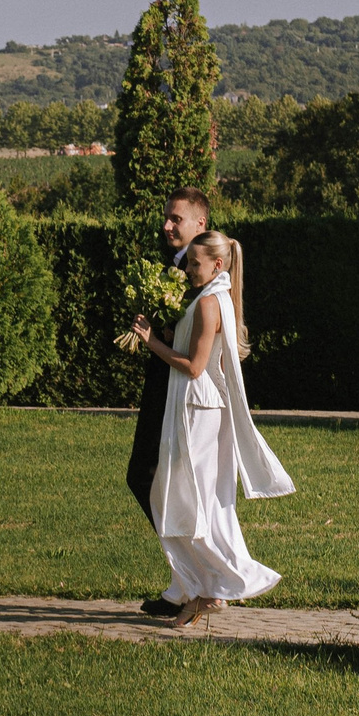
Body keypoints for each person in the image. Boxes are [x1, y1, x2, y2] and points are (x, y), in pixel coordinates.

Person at [131, 229, 292, 626]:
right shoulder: (211, 296)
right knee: (185, 499)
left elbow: (194, 366)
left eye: (194, 263)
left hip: (197, 410)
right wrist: (171, 333)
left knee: (190, 501)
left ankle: (215, 585)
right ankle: (203, 589)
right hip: (196, 406)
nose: (186, 269)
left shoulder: (208, 303)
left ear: (217, 265)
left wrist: (152, 342)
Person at [125, 187, 209, 616]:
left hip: (182, 392)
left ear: (201, 224)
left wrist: (152, 338)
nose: (167, 225)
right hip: (162, 386)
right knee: (152, 481)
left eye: (176, 218)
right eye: (166, 217)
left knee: (151, 478)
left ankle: (196, 581)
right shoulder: (171, 269)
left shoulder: (204, 276)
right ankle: (186, 582)